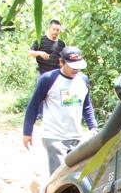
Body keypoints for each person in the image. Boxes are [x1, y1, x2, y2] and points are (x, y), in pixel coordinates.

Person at [23, 46, 98, 175]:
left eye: (78, 66)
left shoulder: (83, 80)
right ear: (61, 62)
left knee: (76, 175)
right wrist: (27, 132)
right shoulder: (48, 79)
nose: (75, 69)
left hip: (76, 136)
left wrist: (93, 126)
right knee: (59, 175)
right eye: (72, 66)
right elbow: (33, 105)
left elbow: (86, 105)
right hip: (54, 137)